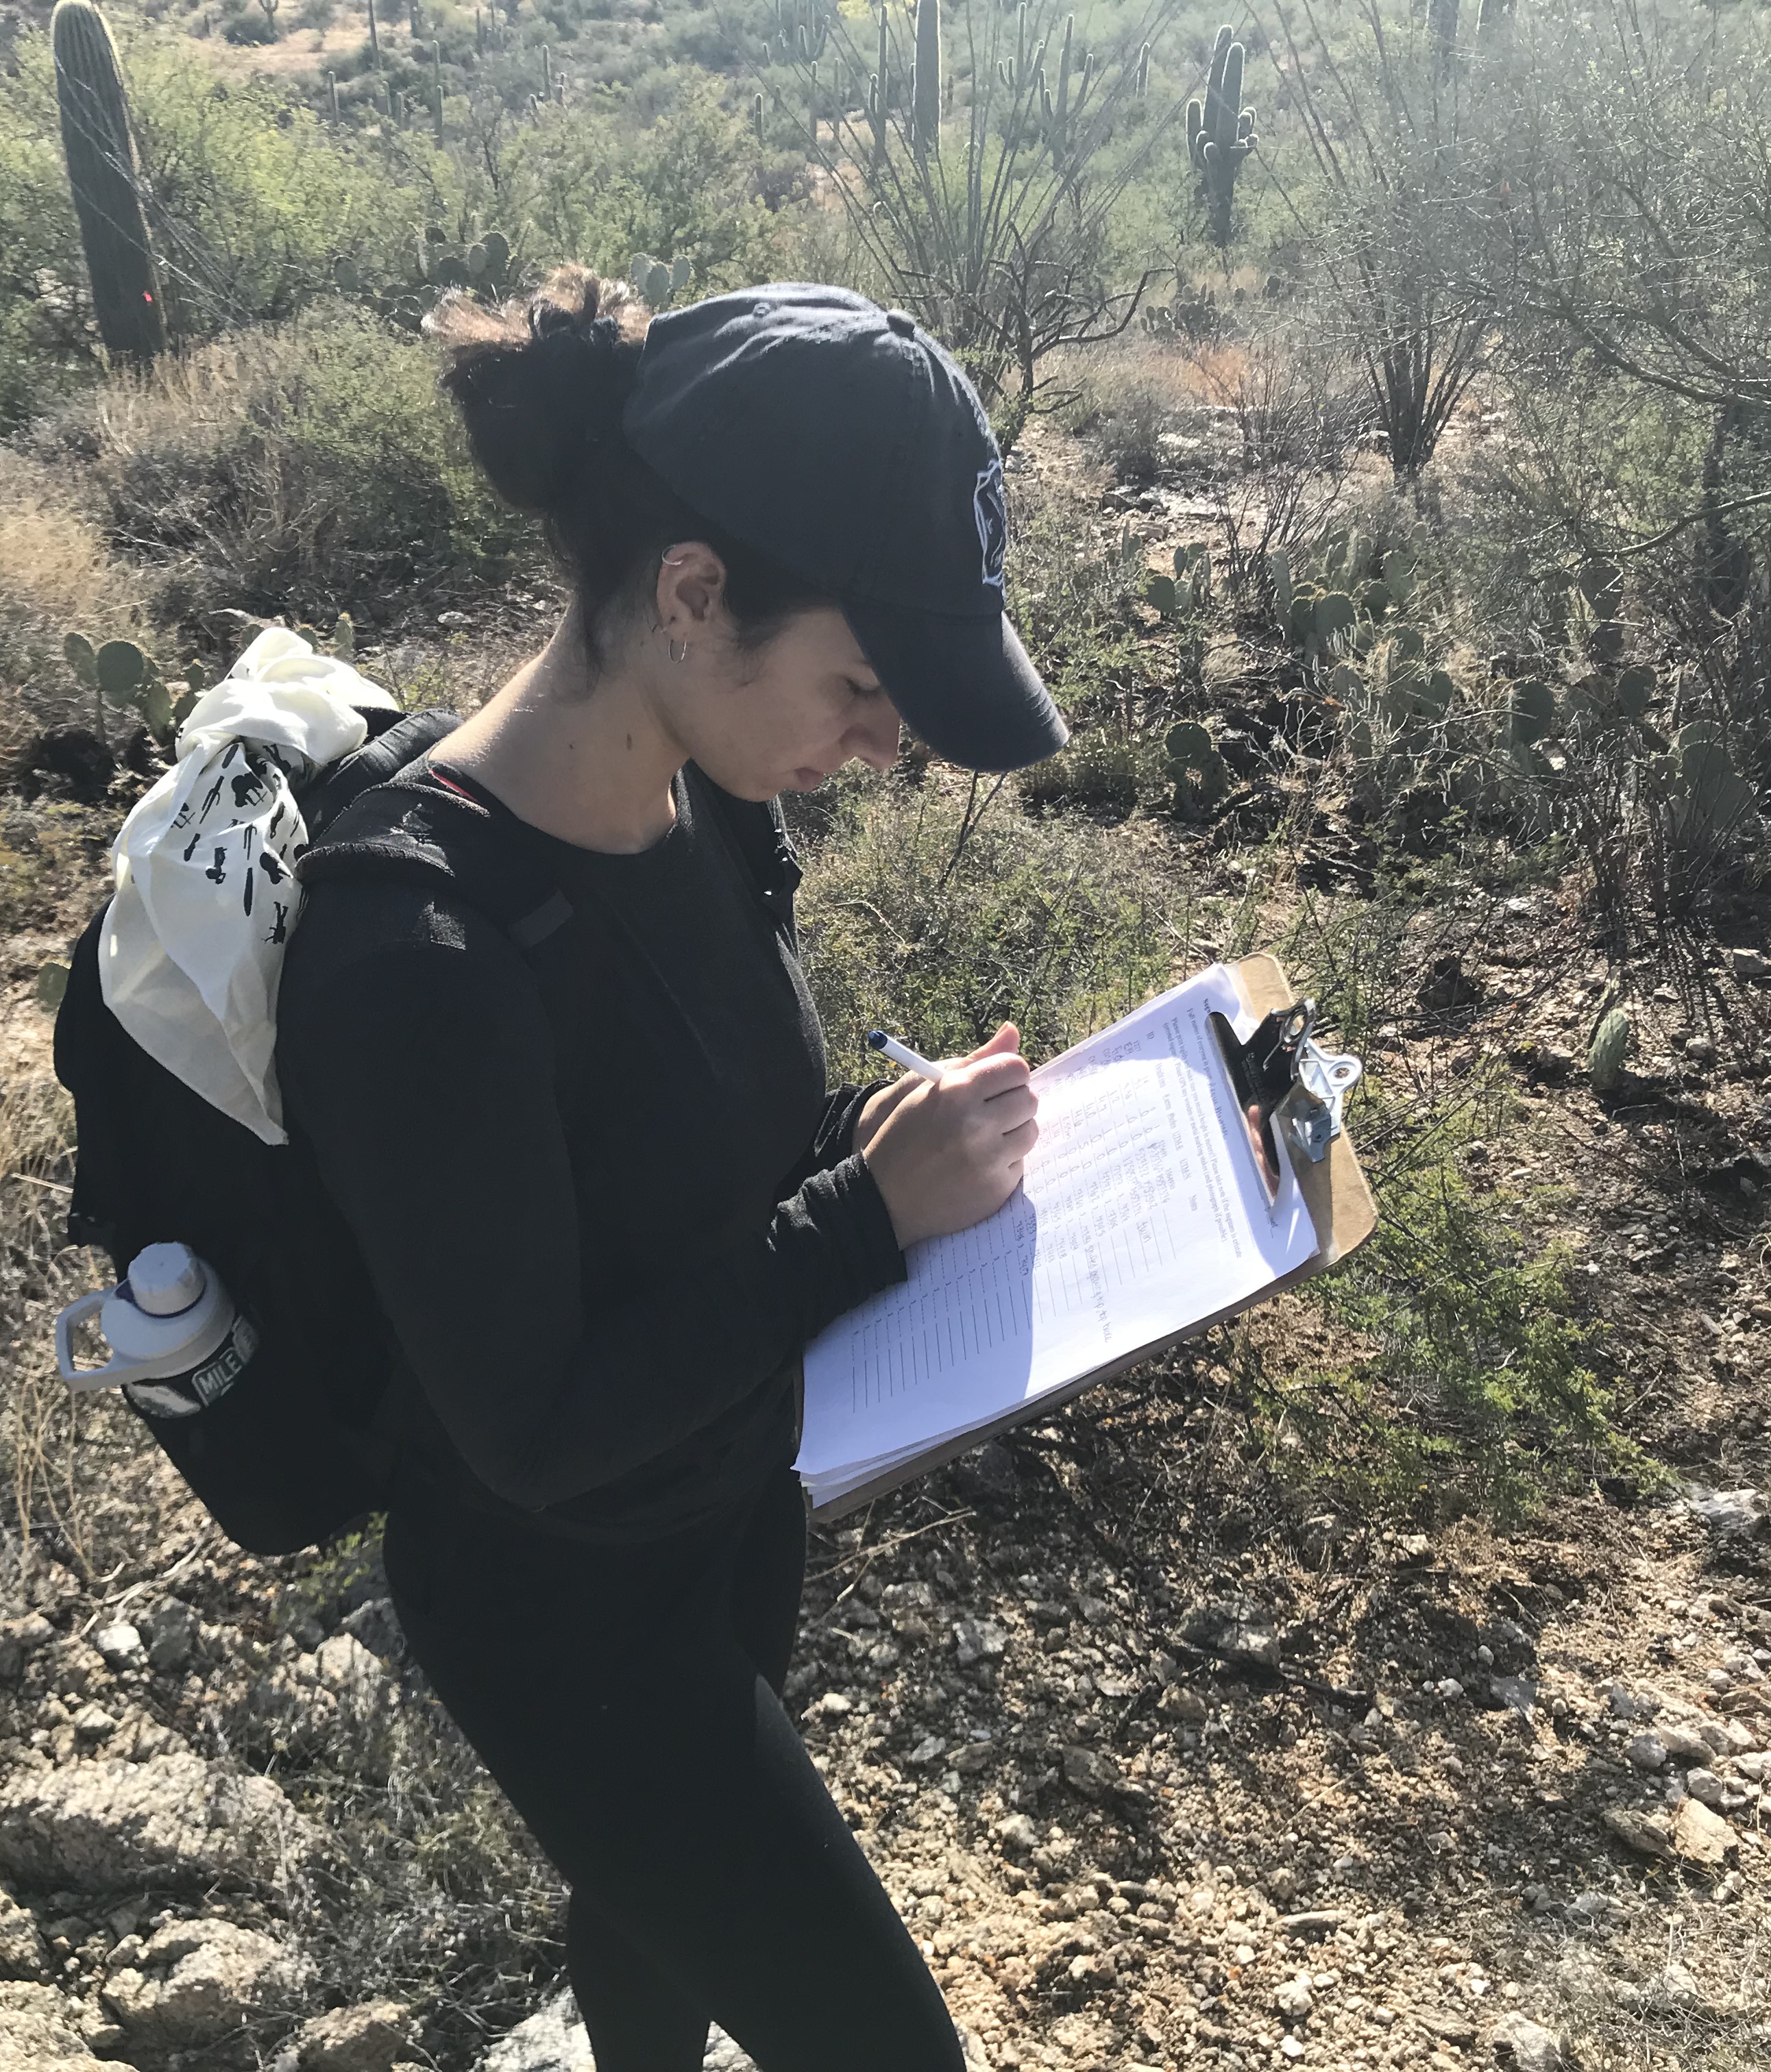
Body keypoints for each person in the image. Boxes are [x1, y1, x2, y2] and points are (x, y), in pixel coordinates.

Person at [278, 267, 1069, 2072]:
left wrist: (881, 1147)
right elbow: (536, 1427)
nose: (885, 743)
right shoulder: (413, 952)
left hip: (727, 1505)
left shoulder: (709, 801)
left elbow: (700, 1155)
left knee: (655, 1935)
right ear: (694, 596)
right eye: (860, 684)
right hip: (562, 1612)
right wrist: (865, 1214)